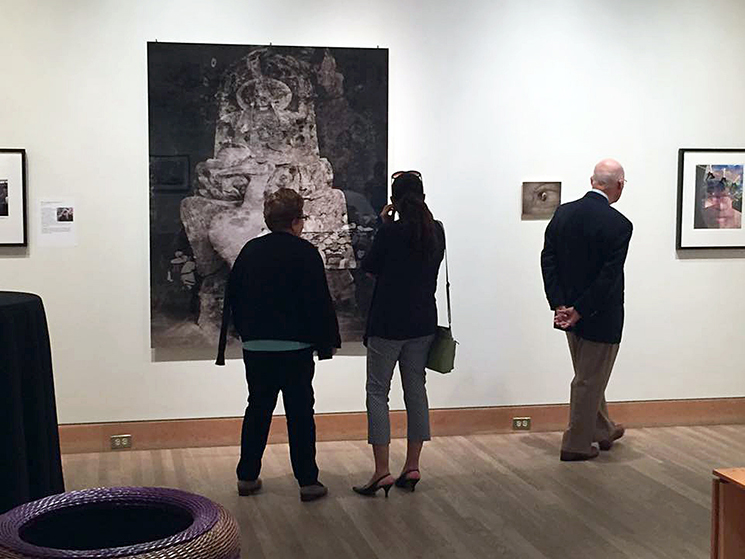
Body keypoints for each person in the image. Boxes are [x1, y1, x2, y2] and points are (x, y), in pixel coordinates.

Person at [216, 187, 341, 502]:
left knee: (257, 409)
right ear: (296, 221)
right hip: (296, 347)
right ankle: (308, 481)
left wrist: (245, 333)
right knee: (300, 413)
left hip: (256, 347)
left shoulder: (250, 251)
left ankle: (247, 476)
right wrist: (325, 343)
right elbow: (318, 302)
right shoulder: (305, 253)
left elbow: (234, 297)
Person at [353, 170, 445, 497]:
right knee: (416, 391)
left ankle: (382, 471)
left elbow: (370, 267)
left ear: (394, 200)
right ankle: (413, 466)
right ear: (423, 196)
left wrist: (383, 225)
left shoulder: (390, 232)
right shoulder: (436, 231)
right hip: (423, 322)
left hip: (388, 323)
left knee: (378, 392)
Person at [540, 159, 633, 462]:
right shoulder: (619, 225)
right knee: (588, 380)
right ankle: (576, 444)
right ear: (619, 185)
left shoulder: (563, 213)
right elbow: (608, 277)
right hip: (600, 315)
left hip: (568, 313)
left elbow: (548, 260)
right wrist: (581, 309)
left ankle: (603, 429)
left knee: (589, 374)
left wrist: (560, 304)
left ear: (592, 181)